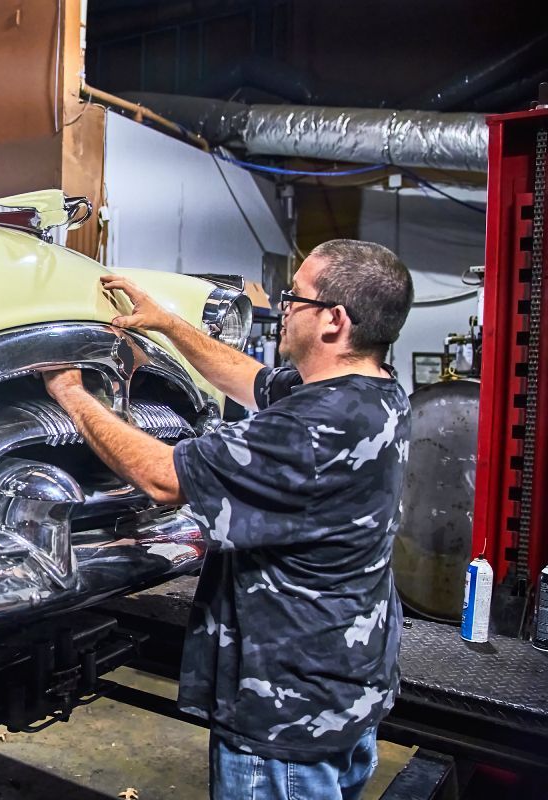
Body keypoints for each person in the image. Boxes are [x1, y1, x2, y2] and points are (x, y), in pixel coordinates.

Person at [44, 240, 414, 800]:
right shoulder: (374, 390)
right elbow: (253, 380)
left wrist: (71, 393)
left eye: (297, 297)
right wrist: (167, 325)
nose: (283, 306)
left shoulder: (313, 429)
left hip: (284, 712)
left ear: (334, 321)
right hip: (342, 685)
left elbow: (163, 478)